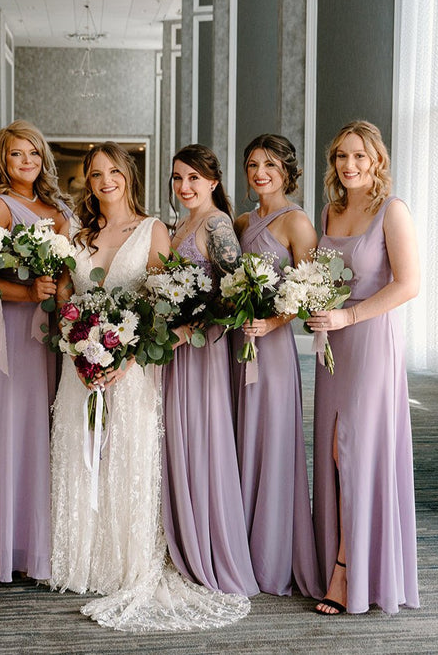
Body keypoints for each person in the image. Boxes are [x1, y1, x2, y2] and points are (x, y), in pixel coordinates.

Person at [49, 142, 250, 631]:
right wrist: (77, 337)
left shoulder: (155, 229)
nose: (105, 181)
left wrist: (127, 349)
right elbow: (64, 294)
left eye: (113, 172)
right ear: (88, 182)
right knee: (82, 452)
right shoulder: (76, 234)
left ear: (129, 176)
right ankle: (84, 557)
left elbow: (164, 301)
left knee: (128, 455)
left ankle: (126, 558)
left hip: (134, 366)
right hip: (81, 365)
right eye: (95, 174)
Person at [308, 120, 420, 615]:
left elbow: (408, 284)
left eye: (358, 156)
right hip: (332, 344)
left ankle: (347, 571)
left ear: (377, 161)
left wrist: (349, 314)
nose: (348, 165)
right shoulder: (331, 210)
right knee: (331, 451)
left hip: (371, 338)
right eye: (340, 157)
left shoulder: (392, 211)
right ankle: (341, 553)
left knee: (350, 449)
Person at [0, 120, 72, 582]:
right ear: (2, 159)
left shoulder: (56, 209)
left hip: (50, 332)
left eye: (33, 152)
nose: (26, 161)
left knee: (42, 427)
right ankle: (1, 543)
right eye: (16, 154)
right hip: (10, 329)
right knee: (8, 427)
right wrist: (27, 294)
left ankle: (37, 541)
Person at [161, 144, 259, 598]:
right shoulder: (181, 222)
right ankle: (181, 535)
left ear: (214, 182)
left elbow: (236, 292)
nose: (184, 186)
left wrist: (189, 327)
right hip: (178, 347)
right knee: (178, 439)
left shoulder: (217, 223)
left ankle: (208, 545)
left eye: (194, 178)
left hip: (201, 349)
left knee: (201, 439)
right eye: (178, 178)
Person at [230, 134, 323, 598]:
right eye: (251, 164)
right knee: (241, 438)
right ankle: (236, 546)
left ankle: (271, 555)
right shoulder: (244, 220)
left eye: (269, 164)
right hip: (238, 345)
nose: (259, 172)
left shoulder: (298, 222)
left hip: (272, 348)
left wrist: (271, 321)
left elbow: (308, 291)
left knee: (272, 441)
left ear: (287, 170)